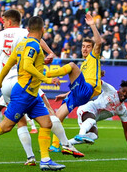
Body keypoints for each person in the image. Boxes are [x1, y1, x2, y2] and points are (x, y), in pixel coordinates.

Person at [0, 9, 80, 165]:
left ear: (10, 21)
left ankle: (31, 157)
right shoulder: (26, 35)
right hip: (25, 80)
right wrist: (50, 53)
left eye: (4, 20)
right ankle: (66, 144)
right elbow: (37, 42)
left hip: (6, 82)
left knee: (18, 122)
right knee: (48, 113)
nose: (3, 23)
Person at [47, 12, 103, 152]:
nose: (85, 48)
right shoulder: (84, 65)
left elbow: (99, 42)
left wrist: (92, 26)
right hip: (78, 94)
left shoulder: (94, 57)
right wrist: (65, 94)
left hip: (87, 91)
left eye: (88, 46)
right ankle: (57, 145)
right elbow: (78, 84)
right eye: (83, 46)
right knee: (57, 117)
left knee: (71, 65)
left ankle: (44, 73)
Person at [69, 80, 127, 153]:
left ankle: (67, 143)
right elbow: (97, 81)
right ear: (120, 89)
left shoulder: (122, 110)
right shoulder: (110, 90)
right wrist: (99, 73)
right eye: (123, 91)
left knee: (93, 136)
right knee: (92, 120)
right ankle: (81, 134)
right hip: (87, 109)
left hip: (90, 121)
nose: (125, 94)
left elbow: (126, 129)